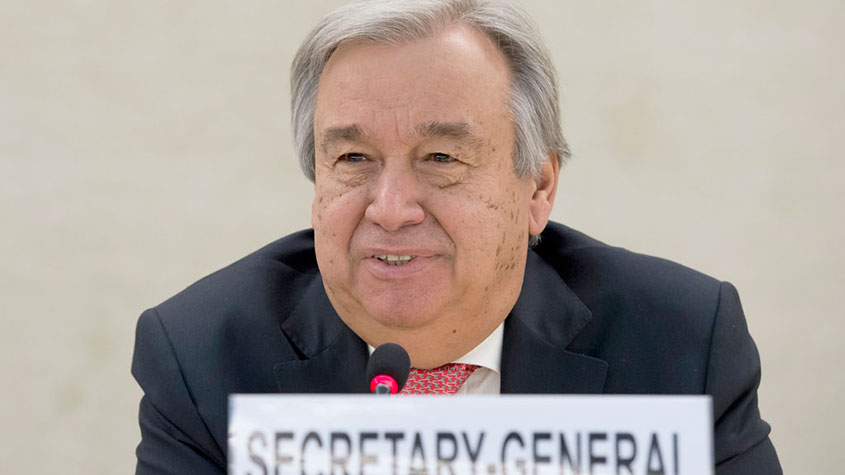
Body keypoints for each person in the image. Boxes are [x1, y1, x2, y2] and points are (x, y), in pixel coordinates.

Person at [131, 0, 781, 473]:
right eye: (353, 159)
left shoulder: (679, 342)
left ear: (538, 188)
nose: (390, 210)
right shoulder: (203, 357)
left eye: (441, 158)